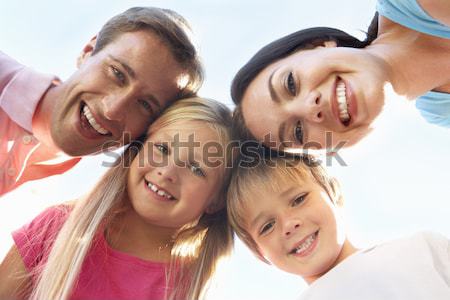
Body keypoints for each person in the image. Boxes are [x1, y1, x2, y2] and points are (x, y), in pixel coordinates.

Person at [0, 97, 235, 300]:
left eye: (196, 169)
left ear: (216, 201)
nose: (167, 172)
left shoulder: (186, 287)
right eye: (162, 149)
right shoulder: (58, 226)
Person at [0, 6, 203, 196]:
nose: (112, 111)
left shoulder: (84, 197)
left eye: (145, 105)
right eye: (117, 73)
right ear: (88, 51)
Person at [231, 0, 450, 152]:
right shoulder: (440, 112)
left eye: (290, 84)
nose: (310, 108)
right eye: (298, 132)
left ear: (317, 45)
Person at [227, 152, 450, 299]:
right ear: (259, 253)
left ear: (333, 192)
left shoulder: (422, 249)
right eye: (267, 226)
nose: (289, 224)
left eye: (299, 200)